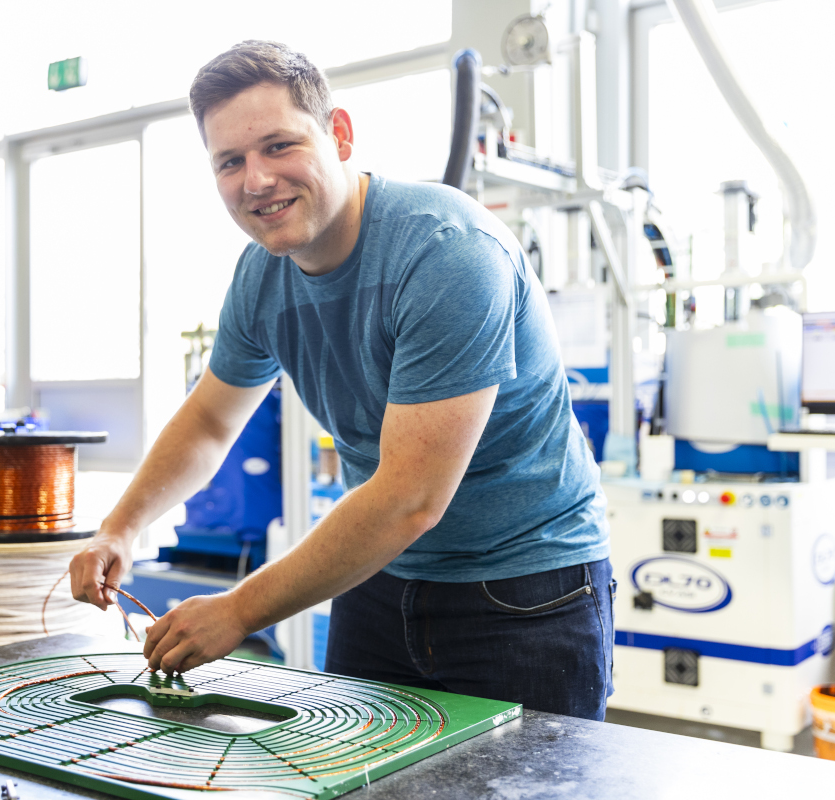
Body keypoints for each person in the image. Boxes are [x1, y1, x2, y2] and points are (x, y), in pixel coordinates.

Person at [70, 40, 614, 720]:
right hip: (382, 580)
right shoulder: (261, 275)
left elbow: (410, 498)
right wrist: (120, 528)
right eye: (230, 162)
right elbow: (212, 419)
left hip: (523, 590)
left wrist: (238, 610)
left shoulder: (447, 252)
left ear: (341, 134)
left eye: (278, 146)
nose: (257, 180)